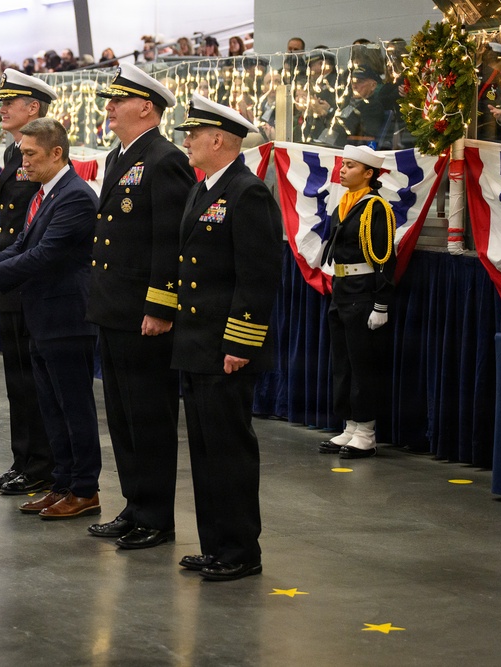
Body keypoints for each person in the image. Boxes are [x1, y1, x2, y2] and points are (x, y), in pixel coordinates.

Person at [0, 118, 102, 521]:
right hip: (44, 316)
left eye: (30, 155)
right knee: (52, 407)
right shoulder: (48, 194)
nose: (23, 165)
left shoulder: (75, 197)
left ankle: (85, 489)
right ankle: (63, 484)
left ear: (57, 153)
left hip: (67, 318)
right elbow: (21, 246)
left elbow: (44, 255)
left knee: (74, 408)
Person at [171, 94, 282, 582]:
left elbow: (257, 278)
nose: (187, 142)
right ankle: (215, 542)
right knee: (204, 450)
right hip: (195, 344)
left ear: (219, 139)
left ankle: (240, 549)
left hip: (225, 347)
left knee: (230, 451)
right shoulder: (203, 190)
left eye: (193, 135)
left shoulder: (247, 192)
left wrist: (240, 343)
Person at [86, 65, 194, 550]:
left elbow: (168, 241)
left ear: (146, 107)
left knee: (148, 415)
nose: (109, 108)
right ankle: (133, 505)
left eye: (118, 100)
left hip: (144, 313)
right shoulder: (119, 158)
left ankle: (156, 515)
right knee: (123, 416)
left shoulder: (165, 158)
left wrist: (161, 306)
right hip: (113, 308)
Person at [0, 69, 58, 496]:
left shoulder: (42, 158)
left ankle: (41, 463)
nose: (2, 108)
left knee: (33, 381)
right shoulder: (15, 155)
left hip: (30, 278)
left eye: (11, 102)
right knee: (17, 381)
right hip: (12, 275)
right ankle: (23, 460)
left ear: (34, 108)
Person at [318, 145, 396, 459]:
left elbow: (385, 258)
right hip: (342, 290)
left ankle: (366, 432)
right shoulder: (344, 205)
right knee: (343, 364)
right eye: (343, 164)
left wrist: (381, 303)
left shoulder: (376, 207)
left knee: (364, 366)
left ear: (368, 173)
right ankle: (350, 424)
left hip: (363, 293)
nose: (343, 169)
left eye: (350, 166)